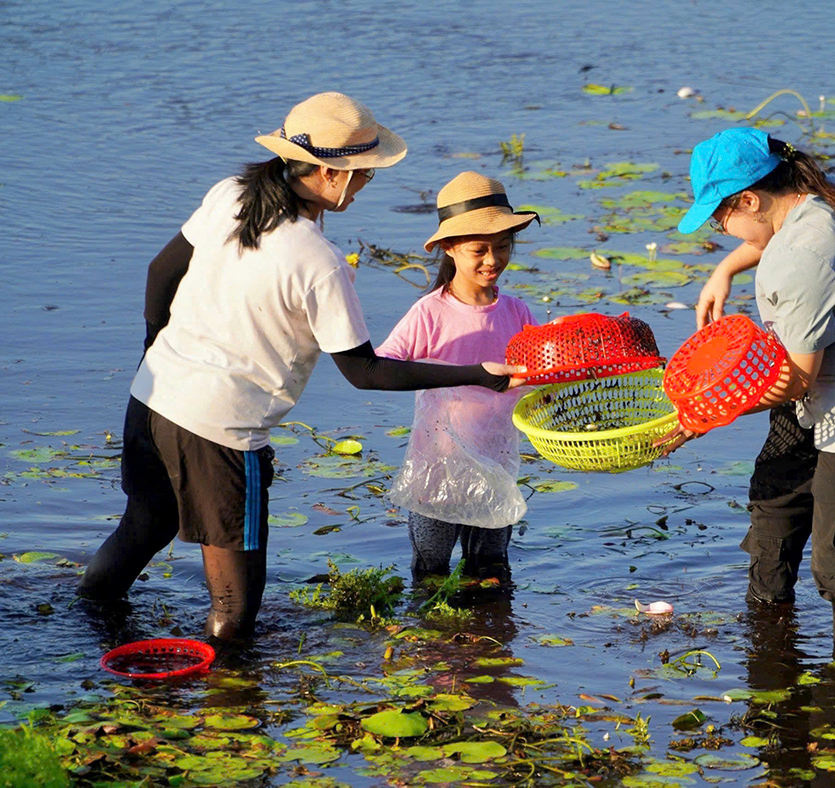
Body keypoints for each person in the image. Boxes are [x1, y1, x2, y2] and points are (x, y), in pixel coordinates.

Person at [77, 93, 523, 640]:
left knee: (142, 528)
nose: (365, 185)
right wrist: (477, 373)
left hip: (151, 396)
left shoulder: (231, 195)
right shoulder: (318, 262)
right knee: (235, 613)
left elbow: (160, 272)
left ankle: (82, 638)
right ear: (330, 173)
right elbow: (366, 372)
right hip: (221, 433)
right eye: (362, 174)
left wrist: (156, 349)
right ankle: (229, 710)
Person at [664, 127, 835, 646]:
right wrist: (725, 269)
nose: (720, 229)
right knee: (776, 499)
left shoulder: (799, 259)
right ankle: (770, 630)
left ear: (750, 198)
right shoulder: (828, 195)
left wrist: (701, 414)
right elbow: (786, 244)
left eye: (722, 217)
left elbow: (794, 380)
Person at [375, 172, 539, 584]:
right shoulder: (429, 312)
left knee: (492, 571)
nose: (492, 259)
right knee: (430, 573)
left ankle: (492, 643)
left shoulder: (516, 312)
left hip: (497, 465)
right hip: (437, 469)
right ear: (450, 248)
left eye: (503, 247)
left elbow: (538, 373)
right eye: (478, 250)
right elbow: (381, 366)